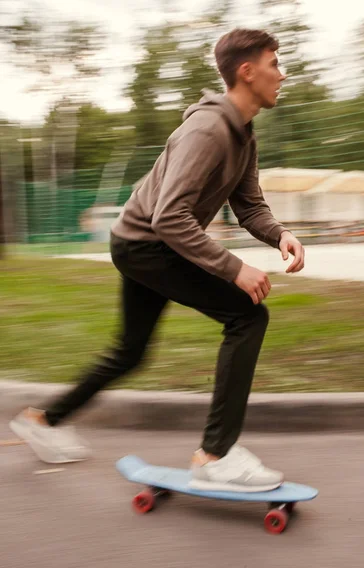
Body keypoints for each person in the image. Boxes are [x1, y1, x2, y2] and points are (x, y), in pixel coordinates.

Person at [10, 28, 305, 492]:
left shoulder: (243, 134)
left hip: (146, 244)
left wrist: (281, 235)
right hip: (146, 245)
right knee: (247, 315)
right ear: (247, 72)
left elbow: (247, 204)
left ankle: (41, 420)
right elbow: (170, 217)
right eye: (274, 64)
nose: (281, 75)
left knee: (130, 352)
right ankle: (215, 456)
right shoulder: (207, 130)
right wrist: (234, 267)